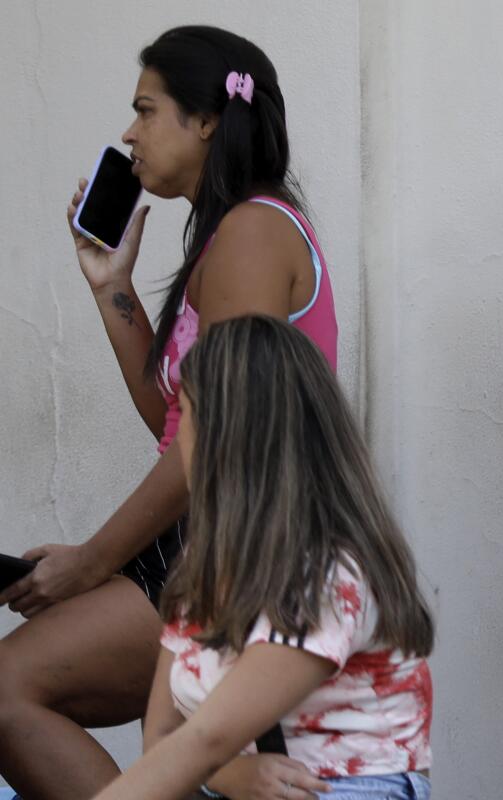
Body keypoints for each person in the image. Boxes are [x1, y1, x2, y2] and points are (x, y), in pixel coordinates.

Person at [0, 26, 337, 799]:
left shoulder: (253, 232)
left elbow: (211, 444)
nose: (129, 132)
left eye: (146, 110)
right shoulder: (231, 233)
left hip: (246, 546)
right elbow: (177, 422)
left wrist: (92, 562)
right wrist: (112, 285)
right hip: (212, 535)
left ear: (208, 120)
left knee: (11, 689)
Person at [91, 315, 433, 800]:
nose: (177, 434)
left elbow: (204, 739)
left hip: (340, 787)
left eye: (184, 411)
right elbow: (165, 738)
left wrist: (211, 764)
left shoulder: (329, 575)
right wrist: (228, 774)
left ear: (228, 434)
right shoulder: (203, 571)